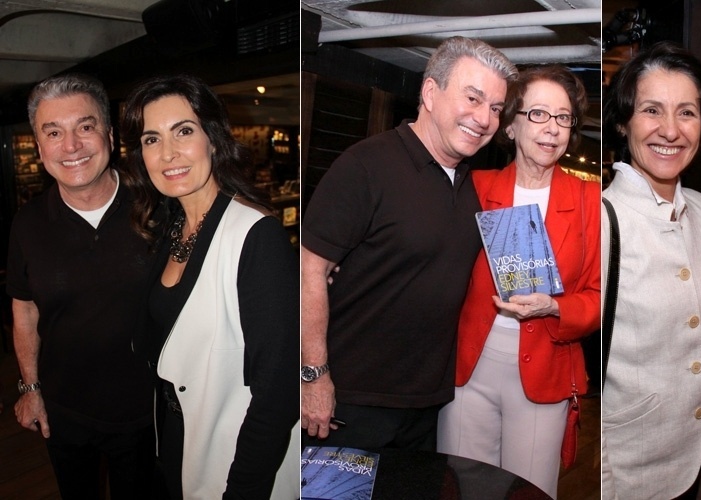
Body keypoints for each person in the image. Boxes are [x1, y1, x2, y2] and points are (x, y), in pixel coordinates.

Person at [300, 36, 517, 450]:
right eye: (472, 98)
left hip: (431, 405)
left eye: (494, 108)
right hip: (352, 401)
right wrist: (314, 376)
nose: (484, 118)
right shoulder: (365, 166)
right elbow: (309, 271)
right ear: (430, 93)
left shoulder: (475, 187)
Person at [120, 74, 300, 499]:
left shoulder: (257, 237)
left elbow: (278, 394)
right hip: (176, 443)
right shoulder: (171, 226)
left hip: (234, 461)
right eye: (151, 139)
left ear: (214, 140)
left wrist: (242, 490)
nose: (168, 154)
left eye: (184, 131)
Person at [435, 64, 599, 499]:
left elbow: (600, 298)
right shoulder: (474, 187)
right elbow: (429, 256)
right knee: (461, 485)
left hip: (546, 362)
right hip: (470, 364)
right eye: (539, 114)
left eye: (563, 118)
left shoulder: (590, 201)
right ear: (510, 125)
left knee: (529, 491)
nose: (552, 129)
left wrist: (555, 306)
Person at [7, 74, 156, 498]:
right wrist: (31, 389)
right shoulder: (28, 224)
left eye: (84, 127)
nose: (70, 146)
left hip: (150, 414)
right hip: (64, 411)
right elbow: (25, 309)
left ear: (109, 135)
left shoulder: (155, 205)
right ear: (38, 147)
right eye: (53, 132)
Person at [600, 41, 701, 499]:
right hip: (629, 471)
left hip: (699, 463)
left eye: (687, 113)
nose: (670, 131)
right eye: (652, 110)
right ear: (622, 122)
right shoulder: (599, 220)